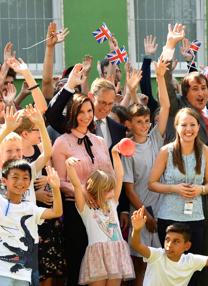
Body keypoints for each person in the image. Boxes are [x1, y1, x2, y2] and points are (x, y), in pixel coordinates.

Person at [161, 24, 208, 285]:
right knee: (179, 251)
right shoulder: (181, 112)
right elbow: (165, 82)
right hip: (184, 191)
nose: (201, 93)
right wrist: (170, 46)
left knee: (207, 252)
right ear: (186, 94)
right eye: (195, 89)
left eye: (204, 88)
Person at [51, 94, 115, 286]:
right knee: (78, 263)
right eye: (81, 112)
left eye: (89, 111)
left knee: (102, 266)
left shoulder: (100, 141)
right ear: (72, 113)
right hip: (77, 211)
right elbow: (60, 181)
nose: (86, 116)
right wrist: (83, 193)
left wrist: (106, 197)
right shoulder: (62, 142)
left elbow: (111, 174)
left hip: (103, 212)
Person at [148, 107, 208, 285]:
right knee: (168, 268)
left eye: (192, 124)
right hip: (169, 218)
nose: (188, 129)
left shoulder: (206, 151)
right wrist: (174, 188)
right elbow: (152, 183)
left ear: (198, 127)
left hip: (195, 217)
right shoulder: (166, 151)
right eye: (184, 125)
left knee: (192, 270)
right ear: (176, 127)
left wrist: (200, 190)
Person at [122, 57, 171, 286]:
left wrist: (159, 76)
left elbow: (166, 105)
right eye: (139, 122)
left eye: (147, 120)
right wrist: (145, 215)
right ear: (129, 124)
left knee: (161, 263)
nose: (144, 125)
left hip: (162, 209)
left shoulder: (155, 139)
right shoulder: (127, 149)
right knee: (141, 264)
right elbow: (129, 189)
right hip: (142, 214)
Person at [65, 144, 135, 285]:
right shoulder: (85, 208)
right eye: (108, 189)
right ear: (99, 190)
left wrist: (115, 154)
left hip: (116, 253)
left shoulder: (112, 203)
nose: (113, 191)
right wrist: (69, 166)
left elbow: (119, 175)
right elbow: (77, 185)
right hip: (97, 255)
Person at [0, 160, 62, 286]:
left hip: (24, 274)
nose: (20, 182)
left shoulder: (30, 208)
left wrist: (55, 188)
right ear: (4, 180)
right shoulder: (1, 203)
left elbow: (56, 212)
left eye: (25, 178)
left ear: (30, 182)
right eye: (15, 177)